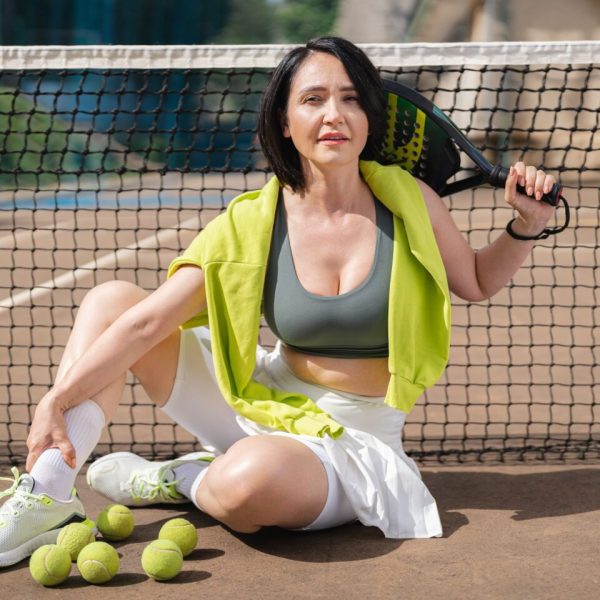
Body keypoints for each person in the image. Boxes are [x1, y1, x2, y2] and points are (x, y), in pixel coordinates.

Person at [0, 37, 559, 567]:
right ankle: (47, 494)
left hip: (351, 438)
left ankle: (183, 478)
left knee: (246, 485)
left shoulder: (412, 200)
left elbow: (478, 282)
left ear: (369, 118)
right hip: (257, 398)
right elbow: (146, 322)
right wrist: (57, 398)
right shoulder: (252, 222)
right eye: (313, 100)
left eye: (350, 99)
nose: (333, 115)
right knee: (111, 301)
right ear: (286, 124)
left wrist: (524, 225)